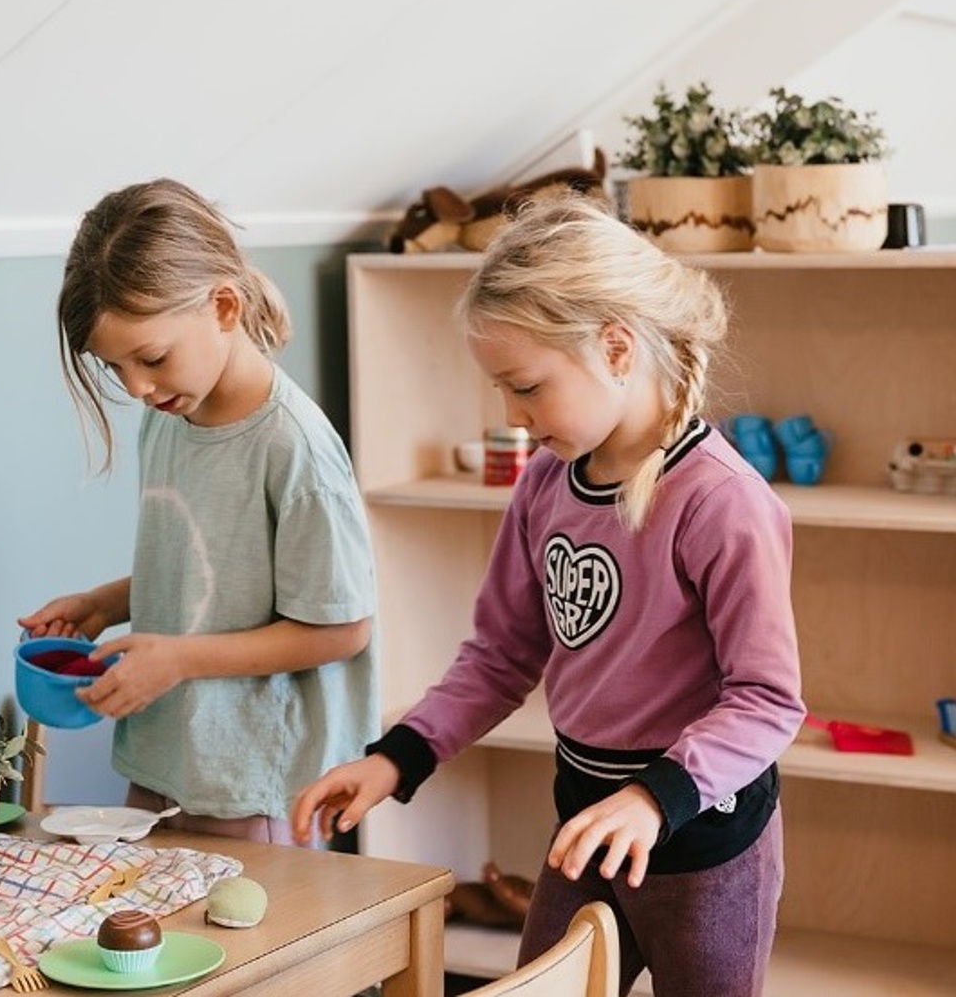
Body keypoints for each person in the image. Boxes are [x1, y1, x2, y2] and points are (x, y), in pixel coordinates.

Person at [291, 195, 805, 996]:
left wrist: (652, 799)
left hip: (703, 843)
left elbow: (767, 702)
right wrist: (400, 756)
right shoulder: (545, 485)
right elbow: (501, 655)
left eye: (526, 386)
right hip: (584, 828)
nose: (513, 417)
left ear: (616, 347)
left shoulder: (720, 502)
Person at [20, 177, 378, 845]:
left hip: (255, 782)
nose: (137, 388)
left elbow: (341, 627)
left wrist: (178, 661)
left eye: (151, 358)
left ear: (222, 306)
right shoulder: (171, 416)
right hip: (168, 758)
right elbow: (213, 572)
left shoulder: (291, 446)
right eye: (114, 369)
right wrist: (105, 604)